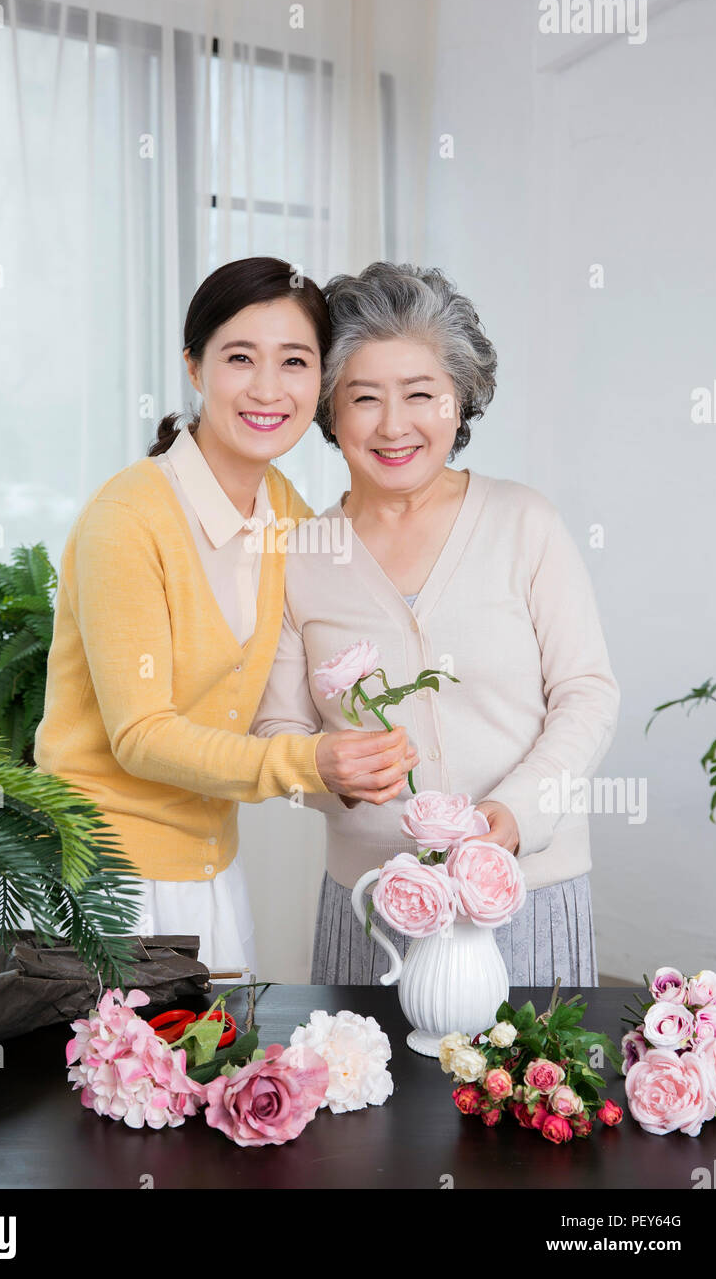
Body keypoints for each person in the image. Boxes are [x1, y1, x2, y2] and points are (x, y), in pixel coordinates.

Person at [33, 256, 417, 978]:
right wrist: (311, 762)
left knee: (224, 1080)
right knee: (106, 1085)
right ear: (194, 367)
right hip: (101, 877)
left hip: (210, 866)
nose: (268, 388)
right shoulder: (130, 518)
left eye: (295, 361)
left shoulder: (285, 511)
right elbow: (142, 736)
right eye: (240, 357)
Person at [251, 261, 620, 986]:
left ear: (460, 402)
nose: (394, 426)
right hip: (374, 903)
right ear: (329, 410)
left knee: (529, 1096)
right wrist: (334, 777)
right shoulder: (298, 554)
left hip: (526, 893)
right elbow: (276, 735)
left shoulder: (524, 523)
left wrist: (513, 816)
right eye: (364, 398)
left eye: (420, 395)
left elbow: (588, 693)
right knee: (373, 1100)